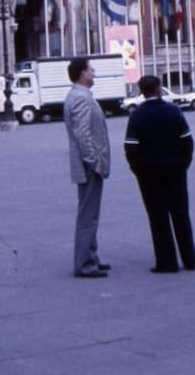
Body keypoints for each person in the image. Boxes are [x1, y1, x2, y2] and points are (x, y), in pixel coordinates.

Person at [123, 74, 195, 273]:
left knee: (158, 217)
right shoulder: (173, 111)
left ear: (141, 91)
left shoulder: (136, 116)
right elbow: (187, 142)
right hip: (175, 170)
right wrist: (184, 164)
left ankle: (167, 262)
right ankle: (190, 260)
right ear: (159, 89)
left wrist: (138, 170)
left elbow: (130, 148)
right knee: (181, 215)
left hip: (149, 174)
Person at [64, 57, 111, 278]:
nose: (94, 72)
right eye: (91, 69)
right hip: (88, 166)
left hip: (86, 164)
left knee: (89, 212)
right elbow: (82, 135)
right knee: (88, 214)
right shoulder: (81, 98)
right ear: (83, 73)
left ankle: (91, 256)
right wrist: (93, 161)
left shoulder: (77, 96)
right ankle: (84, 263)